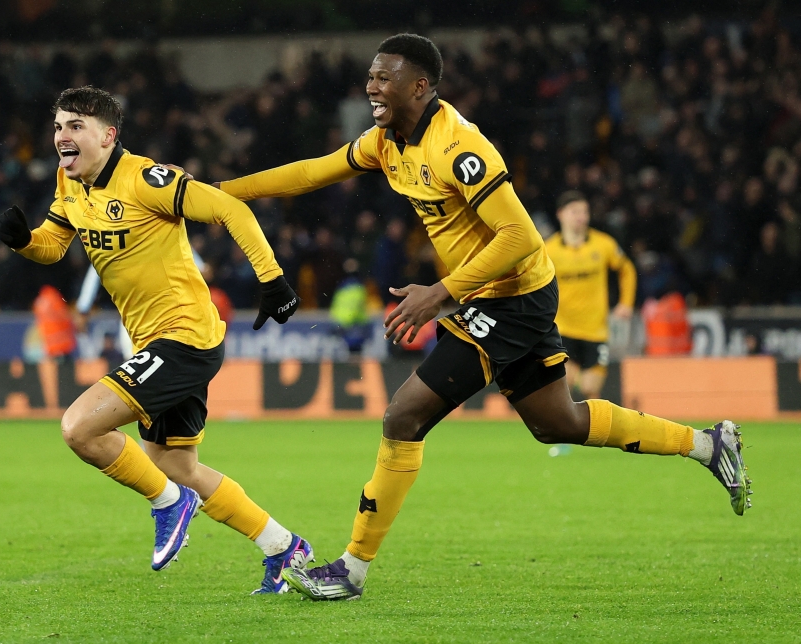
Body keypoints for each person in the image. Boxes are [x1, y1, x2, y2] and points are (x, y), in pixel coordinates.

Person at [217, 34, 751, 601]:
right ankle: (707, 444)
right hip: (501, 295)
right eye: (371, 76)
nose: (371, 86)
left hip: (510, 297)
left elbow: (519, 236)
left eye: (384, 77)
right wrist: (218, 195)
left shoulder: (459, 149)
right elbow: (309, 173)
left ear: (419, 87)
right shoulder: (386, 143)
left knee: (403, 417)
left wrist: (439, 293)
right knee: (558, 423)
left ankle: (351, 570)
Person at [0, 86, 312, 594]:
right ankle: (284, 548)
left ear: (107, 135)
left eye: (75, 126)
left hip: (184, 337)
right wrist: (24, 242)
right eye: (58, 126)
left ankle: (168, 504)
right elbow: (53, 247)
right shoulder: (68, 182)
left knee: (79, 428)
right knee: (175, 465)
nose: (62, 137)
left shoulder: (147, 179)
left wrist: (272, 281)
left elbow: (231, 208)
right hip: (156, 344)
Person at [544, 191, 636, 399]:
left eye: (585, 211)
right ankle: (565, 429)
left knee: (589, 389)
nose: (581, 217)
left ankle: (592, 430)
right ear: (560, 214)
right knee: (565, 383)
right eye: (575, 211)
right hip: (563, 328)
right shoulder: (549, 251)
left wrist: (626, 303)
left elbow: (627, 269)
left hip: (595, 330)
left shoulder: (603, 244)